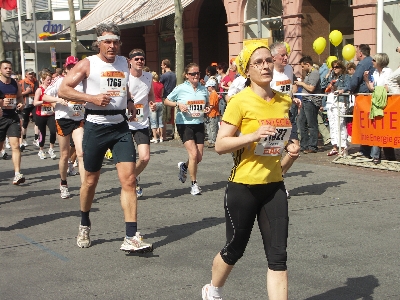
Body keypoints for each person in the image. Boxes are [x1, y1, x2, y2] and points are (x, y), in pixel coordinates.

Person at [202, 40, 299, 300]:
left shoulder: (284, 101)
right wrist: (253, 134)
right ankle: (214, 290)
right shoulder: (239, 102)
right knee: (235, 248)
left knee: (278, 256)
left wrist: (291, 153)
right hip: (243, 186)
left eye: (268, 60)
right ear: (247, 70)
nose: (266, 65)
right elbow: (221, 145)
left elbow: (275, 154)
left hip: (274, 187)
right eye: (258, 62)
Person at [58, 23, 152, 252]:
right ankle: (84, 222)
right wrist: (90, 98)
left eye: (115, 41)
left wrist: (129, 102)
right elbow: (64, 90)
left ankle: (131, 236)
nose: (112, 45)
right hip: (95, 127)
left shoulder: (123, 63)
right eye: (107, 41)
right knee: (90, 180)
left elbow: (124, 88)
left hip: (120, 126)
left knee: (129, 180)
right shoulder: (88, 63)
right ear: (98, 43)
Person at [164, 63, 211, 195]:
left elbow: (206, 104)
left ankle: (184, 166)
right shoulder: (180, 88)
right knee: (193, 154)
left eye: (198, 73)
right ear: (186, 75)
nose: (196, 76)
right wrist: (178, 104)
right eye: (192, 74)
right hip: (184, 124)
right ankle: (194, 184)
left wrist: (207, 108)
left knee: (199, 157)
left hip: (199, 123)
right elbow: (166, 101)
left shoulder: (203, 89)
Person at [43, 55, 84, 199]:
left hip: (78, 119)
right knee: (65, 154)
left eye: (74, 66)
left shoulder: (83, 81)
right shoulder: (59, 81)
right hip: (63, 120)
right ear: (66, 68)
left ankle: (84, 187)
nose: (72, 68)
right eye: (69, 66)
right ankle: (63, 183)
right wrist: (58, 99)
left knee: (81, 152)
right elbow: (45, 97)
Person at [269, 41, 301, 176]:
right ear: (274, 57)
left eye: (286, 55)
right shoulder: (268, 73)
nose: (286, 58)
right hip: (273, 116)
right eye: (282, 55)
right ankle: (275, 181)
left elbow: (291, 87)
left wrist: (293, 98)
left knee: (295, 150)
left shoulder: (289, 69)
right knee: (275, 153)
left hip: (288, 114)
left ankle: (278, 177)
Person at [127, 48, 155, 198]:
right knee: (129, 158)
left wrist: (152, 102)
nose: (139, 61)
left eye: (142, 59)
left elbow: (150, 94)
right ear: (130, 61)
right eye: (136, 59)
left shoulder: (148, 76)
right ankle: (132, 182)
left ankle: (131, 178)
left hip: (141, 122)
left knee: (144, 158)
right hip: (124, 123)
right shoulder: (124, 77)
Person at [363, 52, 395, 164]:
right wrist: (366, 79)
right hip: (376, 102)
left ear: (380, 61)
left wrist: (377, 90)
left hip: (387, 103)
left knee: (385, 129)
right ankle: (376, 155)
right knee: (376, 128)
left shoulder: (388, 72)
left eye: (374, 60)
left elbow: (387, 87)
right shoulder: (375, 72)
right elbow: (372, 88)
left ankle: (389, 155)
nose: (372, 62)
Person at [0, 60, 26, 184]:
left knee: (15, 145)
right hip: (0, 118)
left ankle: (17, 174)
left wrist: (21, 103)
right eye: (5, 68)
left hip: (12, 117)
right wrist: (0, 103)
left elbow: (20, 96)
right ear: (0, 70)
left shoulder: (15, 83)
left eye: (10, 68)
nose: (8, 70)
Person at [349, 44, 374, 158]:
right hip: (370, 96)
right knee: (371, 124)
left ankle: (366, 151)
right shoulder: (372, 61)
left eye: (356, 52)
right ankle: (370, 150)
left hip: (364, 97)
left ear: (360, 53)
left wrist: (348, 89)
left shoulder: (362, 64)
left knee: (364, 124)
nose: (355, 54)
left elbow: (355, 80)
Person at [321, 60, 351, 156]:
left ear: (341, 67)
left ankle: (343, 147)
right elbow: (323, 85)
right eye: (333, 67)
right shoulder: (331, 76)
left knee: (340, 124)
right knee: (332, 124)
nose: (335, 69)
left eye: (337, 67)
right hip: (330, 101)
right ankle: (335, 146)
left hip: (340, 101)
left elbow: (348, 86)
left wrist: (338, 88)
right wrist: (328, 73)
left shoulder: (345, 77)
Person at [295, 55, 323, 153]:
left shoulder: (314, 73)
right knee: (301, 122)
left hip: (312, 101)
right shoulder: (308, 74)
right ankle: (304, 145)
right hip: (306, 100)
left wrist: (301, 83)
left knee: (312, 124)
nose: (302, 69)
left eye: (303, 66)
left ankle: (312, 146)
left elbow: (311, 88)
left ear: (308, 64)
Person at [33, 70, 59, 160]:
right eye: (48, 80)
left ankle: (51, 149)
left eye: (51, 80)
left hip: (51, 114)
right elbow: (35, 103)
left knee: (53, 131)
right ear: (43, 80)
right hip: (41, 115)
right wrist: (43, 101)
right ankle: (41, 150)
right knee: (42, 133)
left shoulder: (52, 89)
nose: (50, 81)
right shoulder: (40, 90)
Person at [20, 68, 38, 147]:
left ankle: (36, 139)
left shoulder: (36, 81)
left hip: (34, 104)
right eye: (30, 74)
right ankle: (23, 139)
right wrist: (25, 92)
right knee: (25, 122)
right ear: (26, 75)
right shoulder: (22, 82)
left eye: (32, 73)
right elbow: (18, 94)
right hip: (25, 104)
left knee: (37, 120)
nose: (31, 75)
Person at [160, 59, 177, 140]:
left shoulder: (164, 76)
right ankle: (174, 132)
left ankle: (164, 134)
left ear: (165, 65)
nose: (161, 66)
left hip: (165, 97)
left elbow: (160, 85)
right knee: (173, 115)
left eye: (162, 64)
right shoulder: (174, 75)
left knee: (164, 116)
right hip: (173, 97)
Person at [149, 71, 164, 143]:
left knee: (153, 121)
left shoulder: (151, 84)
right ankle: (161, 137)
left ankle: (155, 137)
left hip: (153, 103)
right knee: (160, 121)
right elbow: (161, 94)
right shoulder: (161, 84)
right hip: (160, 102)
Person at [205, 78, 219, 148]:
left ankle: (213, 141)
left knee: (212, 128)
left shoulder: (213, 94)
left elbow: (212, 105)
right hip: (211, 113)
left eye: (208, 87)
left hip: (213, 114)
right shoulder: (213, 94)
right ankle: (211, 140)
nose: (207, 88)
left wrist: (207, 110)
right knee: (210, 128)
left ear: (211, 86)